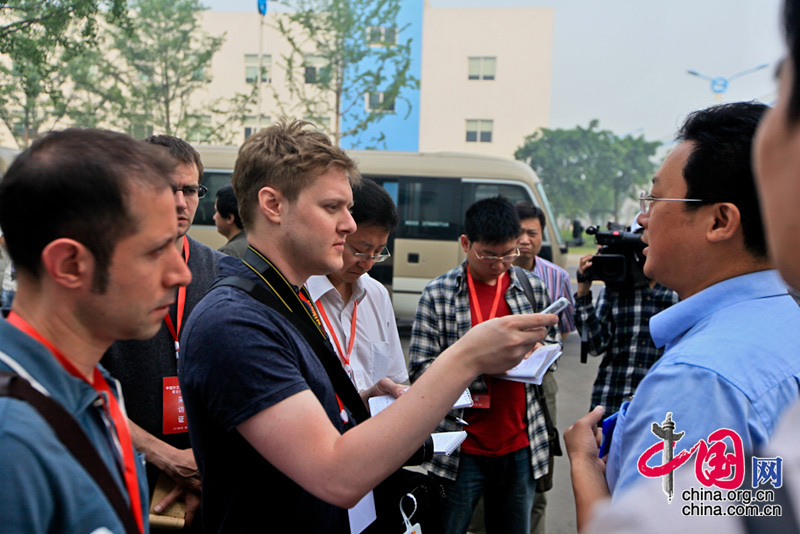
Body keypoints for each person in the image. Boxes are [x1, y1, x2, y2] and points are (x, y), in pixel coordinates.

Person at [177, 119, 558, 533]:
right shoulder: (235, 321)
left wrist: (356, 400)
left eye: (347, 208)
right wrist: (467, 357)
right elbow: (335, 474)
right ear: (273, 205)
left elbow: (291, 428)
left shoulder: (283, 295)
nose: (350, 225)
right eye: (331, 207)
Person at [565, 101, 800, 530]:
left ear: (720, 220)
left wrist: (584, 465)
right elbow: (758, 504)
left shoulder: (698, 380)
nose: (641, 218)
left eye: (654, 198)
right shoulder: (787, 322)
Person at [0, 128, 192, 532]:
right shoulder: (12, 441)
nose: (182, 273)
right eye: (156, 251)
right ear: (69, 264)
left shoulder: (93, 388)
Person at [409, 196, 558, 534]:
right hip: (461, 447)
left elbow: (550, 348)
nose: (499, 264)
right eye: (489, 255)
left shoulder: (530, 287)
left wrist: (542, 353)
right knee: (449, 527)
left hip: (520, 441)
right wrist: (481, 366)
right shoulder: (439, 294)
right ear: (466, 243)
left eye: (508, 254)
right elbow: (420, 370)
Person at [102, 135, 224, 529]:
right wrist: (164, 457)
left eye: (190, 189)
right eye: (165, 188)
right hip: (119, 476)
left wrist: (203, 467)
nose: (179, 201)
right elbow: (81, 387)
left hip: (210, 484)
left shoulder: (224, 274)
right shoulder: (103, 274)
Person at [306, 178, 408, 393]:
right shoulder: (297, 294)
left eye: (379, 252)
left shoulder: (376, 294)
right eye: (360, 251)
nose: (368, 264)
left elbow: (392, 376)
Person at [513, 201, 575, 534]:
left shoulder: (556, 276)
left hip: (542, 380)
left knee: (538, 473)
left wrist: (543, 351)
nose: (524, 239)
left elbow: (566, 328)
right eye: (518, 231)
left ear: (542, 235)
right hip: (500, 381)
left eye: (532, 232)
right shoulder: (493, 273)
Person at [574, 239, 679, 417]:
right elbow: (594, 345)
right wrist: (583, 293)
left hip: (660, 405)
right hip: (611, 400)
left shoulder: (679, 290)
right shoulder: (615, 288)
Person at [213, 184, 248, 258]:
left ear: (229, 218)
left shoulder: (228, 252)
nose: (214, 217)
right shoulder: (257, 244)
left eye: (216, 212)